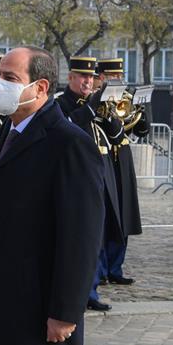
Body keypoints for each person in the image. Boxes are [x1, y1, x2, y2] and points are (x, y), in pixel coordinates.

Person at [0, 46, 104, 345]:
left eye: (10, 78)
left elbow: (81, 237)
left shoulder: (69, 144)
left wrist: (65, 311)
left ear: (40, 87)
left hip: (38, 306)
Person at [56, 56, 124, 311]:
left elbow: (117, 137)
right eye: (82, 77)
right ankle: (76, 292)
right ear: (71, 78)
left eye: (91, 77)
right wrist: (90, 109)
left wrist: (109, 116)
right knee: (79, 238)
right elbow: (65, 129)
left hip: (102, 174)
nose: (87, 81)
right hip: (77, 176)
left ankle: (92, 291)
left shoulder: (99, 104)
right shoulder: (60, 104)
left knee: (100, 236)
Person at [96, 58, 150, 285]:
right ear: (101, 78)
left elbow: (142, 131)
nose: (117, 81)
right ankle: (102, 269)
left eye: (119, 76)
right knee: (106, 215)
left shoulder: (125, 99)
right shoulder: (94, 100)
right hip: (104, 157)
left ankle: (116, 267)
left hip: (123, 160)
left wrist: (142, 111)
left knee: (124, 214)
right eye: (111, 77)